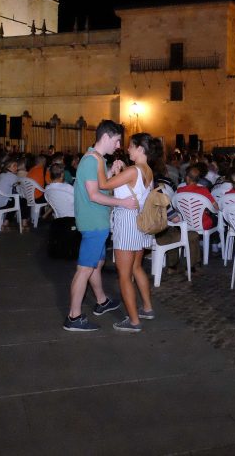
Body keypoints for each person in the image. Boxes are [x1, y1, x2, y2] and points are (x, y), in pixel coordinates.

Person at [64, 121, 133, 332]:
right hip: (93, 223)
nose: (119, 144)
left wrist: (111, 171)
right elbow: (94, 196)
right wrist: (123, 203)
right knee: (84, 269)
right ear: (105, 137)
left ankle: (101, 301)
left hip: (97, 222)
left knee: (97, 263)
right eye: (117, 140)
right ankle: (73, 317)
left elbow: (100, 188)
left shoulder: (98, 160)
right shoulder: (91, 161)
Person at [91, 132, 161, 332]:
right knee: (137, 268)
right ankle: (147, 308)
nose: (127, 149)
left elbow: (103, 185)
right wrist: (118, 172)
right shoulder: (147, 171)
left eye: (131, 146)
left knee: (124, 275)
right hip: (140, 222)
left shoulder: (133, 171)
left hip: (128, 223)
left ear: (140, 149)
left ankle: (133, 321)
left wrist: (99, 162)